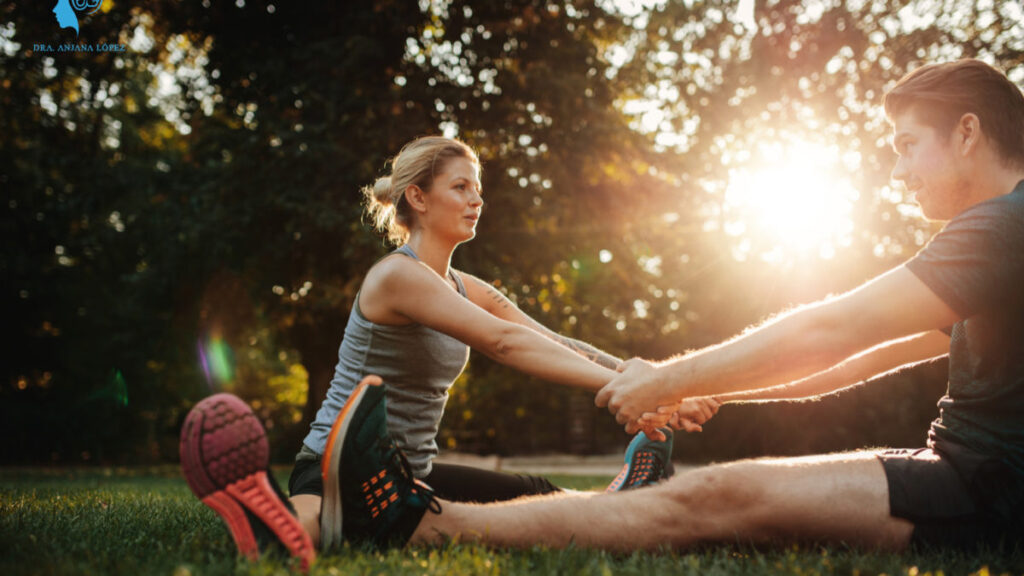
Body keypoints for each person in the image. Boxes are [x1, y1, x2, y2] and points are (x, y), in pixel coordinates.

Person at [319, 59, 1024, 552]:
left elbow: (836, 328)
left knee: (718, 498)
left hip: (981, 490)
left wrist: (668, 382)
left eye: (907, 147)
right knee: (729, 496)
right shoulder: (997, 241)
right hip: (960, 472)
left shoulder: (1000, 226)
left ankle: (420, 527)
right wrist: (700, 389)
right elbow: (861, 358)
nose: (898, 172)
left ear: (967, 132)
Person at [179, 136, 718, 562]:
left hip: (413, 474)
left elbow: (551, 341)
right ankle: (270, 525)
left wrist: (661, 382)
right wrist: (635, 390)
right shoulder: (397, 277)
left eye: (476, 188)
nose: (477, 199)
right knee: (315, 525)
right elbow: (505, 343)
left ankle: (632, 493)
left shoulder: (466, 286)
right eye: (461, 187)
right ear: (418, 196)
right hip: (334, 466)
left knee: (539, 495)